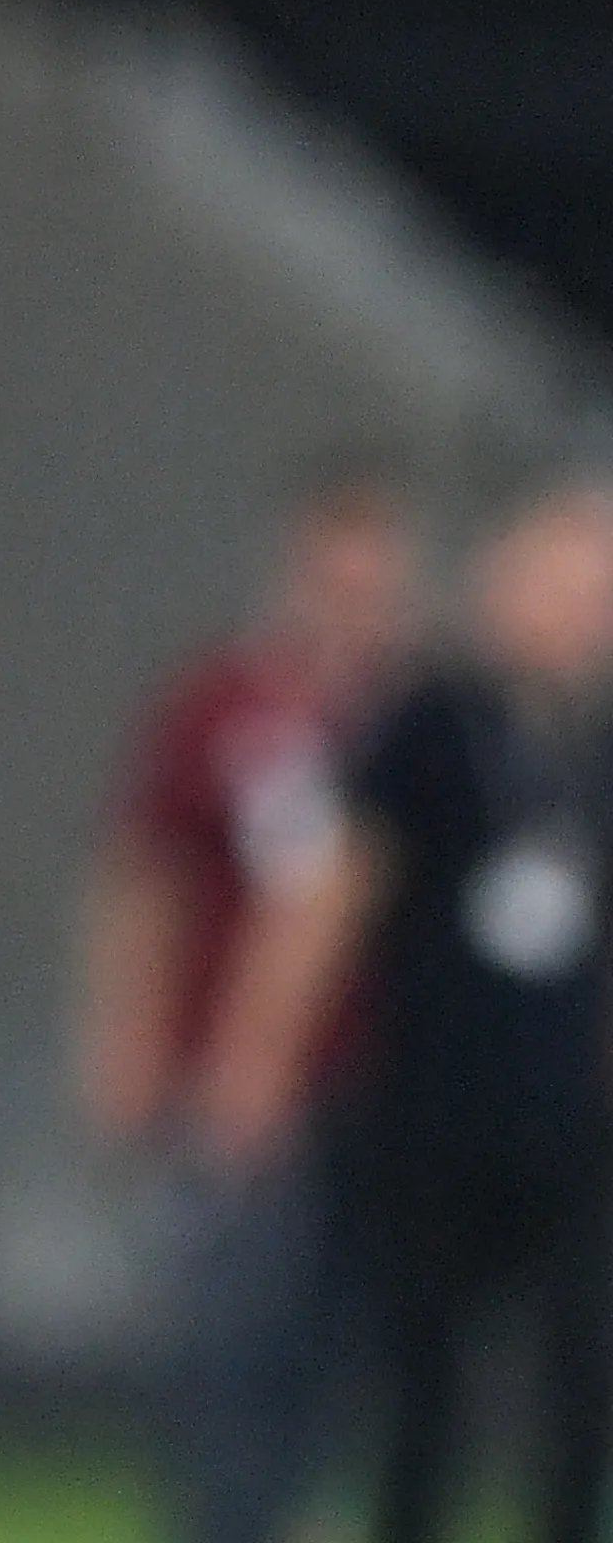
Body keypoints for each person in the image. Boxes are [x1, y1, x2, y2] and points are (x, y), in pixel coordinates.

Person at [76, 470, 419, 1543]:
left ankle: (304, 1510)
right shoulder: (224, 704)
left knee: (349, 1335)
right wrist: (128, 1036)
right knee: (235, 1330)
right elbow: (146, 872)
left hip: (378, 1076)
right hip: (236, 1079)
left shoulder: (416, 720)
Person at [299, 482, 613, 1543]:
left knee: (582, 1376)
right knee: (424, 1378)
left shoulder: (593, 740)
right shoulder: (432, 722)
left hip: (572, 1119)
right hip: (433, 1105)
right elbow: (343, 891)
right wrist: (271, 1054)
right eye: (561, 582)